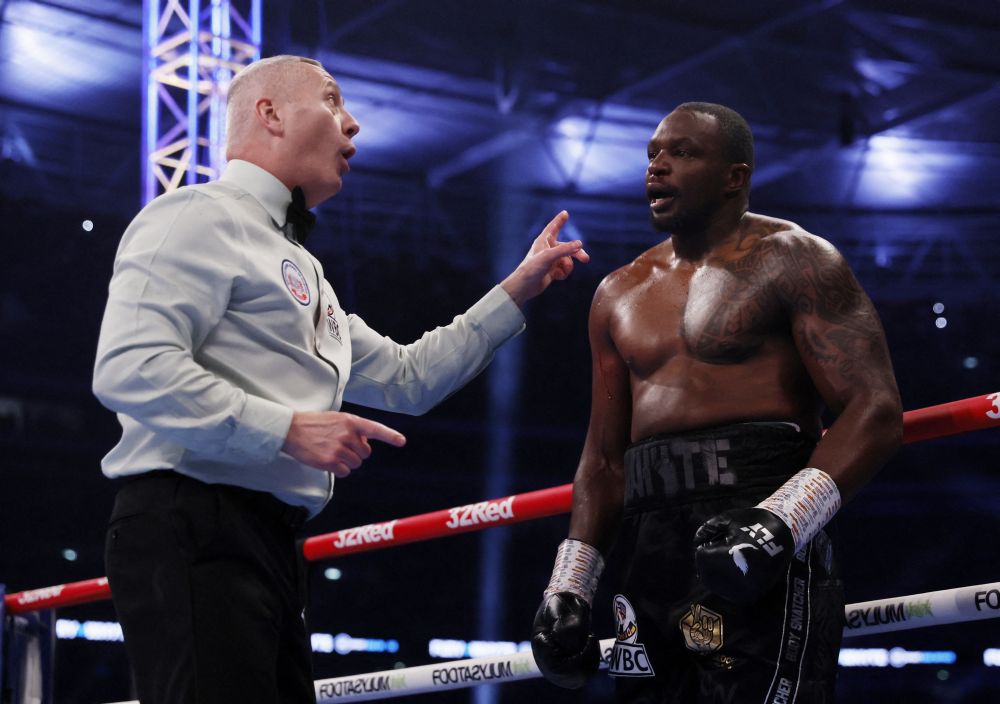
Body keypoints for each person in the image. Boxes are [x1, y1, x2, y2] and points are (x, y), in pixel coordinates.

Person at [92, 55, 588, 704]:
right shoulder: (195, 215)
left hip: (268, 540)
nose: (352, 125)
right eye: (331, 101)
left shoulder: (304, 270)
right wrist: (287, 429)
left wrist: (516, 291)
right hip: (194, 520)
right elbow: (130, 368)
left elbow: (410, 377)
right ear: (269, 114)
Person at [531, 102, 902, 702]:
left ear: (735, 175)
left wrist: (778, 524)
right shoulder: (617, 292)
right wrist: (568, 587)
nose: (657, 167)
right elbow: (604, 460)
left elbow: (876, 410)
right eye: (653, 154)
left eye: (682, 153)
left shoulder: (795, 258)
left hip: (757, 519)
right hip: (646, 548)